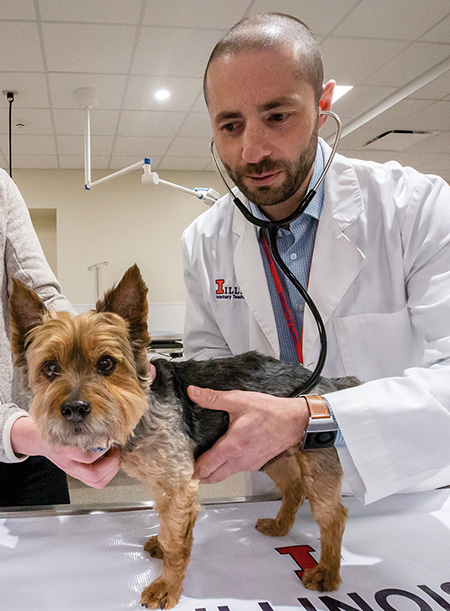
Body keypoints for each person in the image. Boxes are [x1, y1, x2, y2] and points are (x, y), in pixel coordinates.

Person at [181, 12, 450, 505]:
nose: (252, 149)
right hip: (277, 498)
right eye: (230, 124)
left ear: (323, 105)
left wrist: (313, 418)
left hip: (401, 497)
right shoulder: (203, 241)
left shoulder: (416, 208)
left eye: (277, 116)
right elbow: (208, 377)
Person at [0, 168, 120, 507]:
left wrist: (95, 347)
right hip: (32, 434)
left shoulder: (0, 187)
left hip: (35, 441)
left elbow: (41, 293)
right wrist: (20, 432)